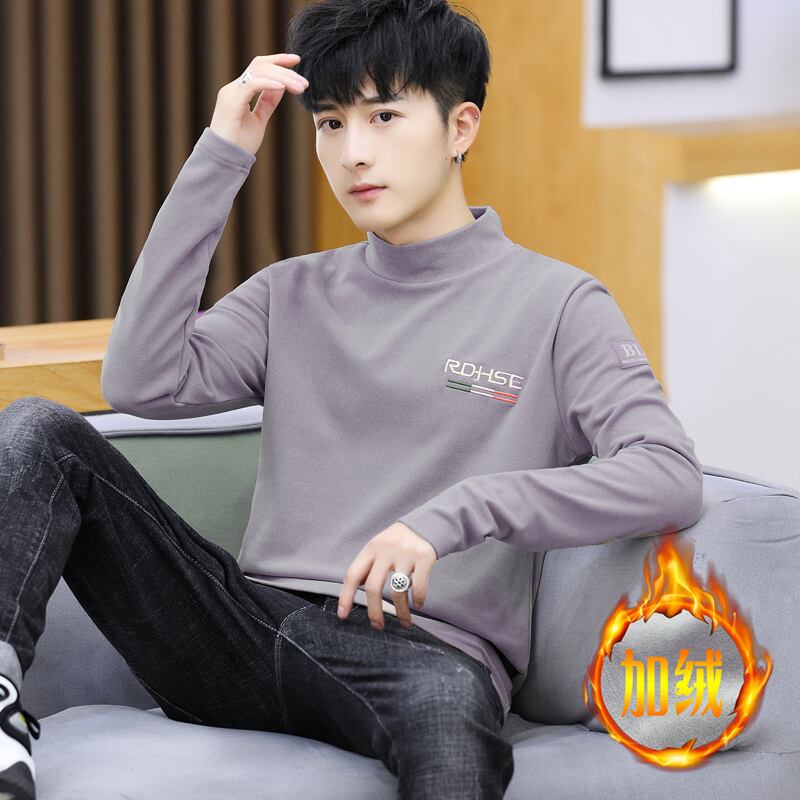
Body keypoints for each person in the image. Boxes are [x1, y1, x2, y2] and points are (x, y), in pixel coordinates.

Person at [0, 1, 704, 797]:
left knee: (447, 712)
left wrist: (458, 512)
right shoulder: (288, 293)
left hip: (419, 651)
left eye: (385, 116)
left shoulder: (559, 305)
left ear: (461, 127)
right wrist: (223, 150)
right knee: (38, 430)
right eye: (330, 123)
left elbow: (668, 474)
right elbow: (140, 381)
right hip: (242, 628)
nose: (353, 152)